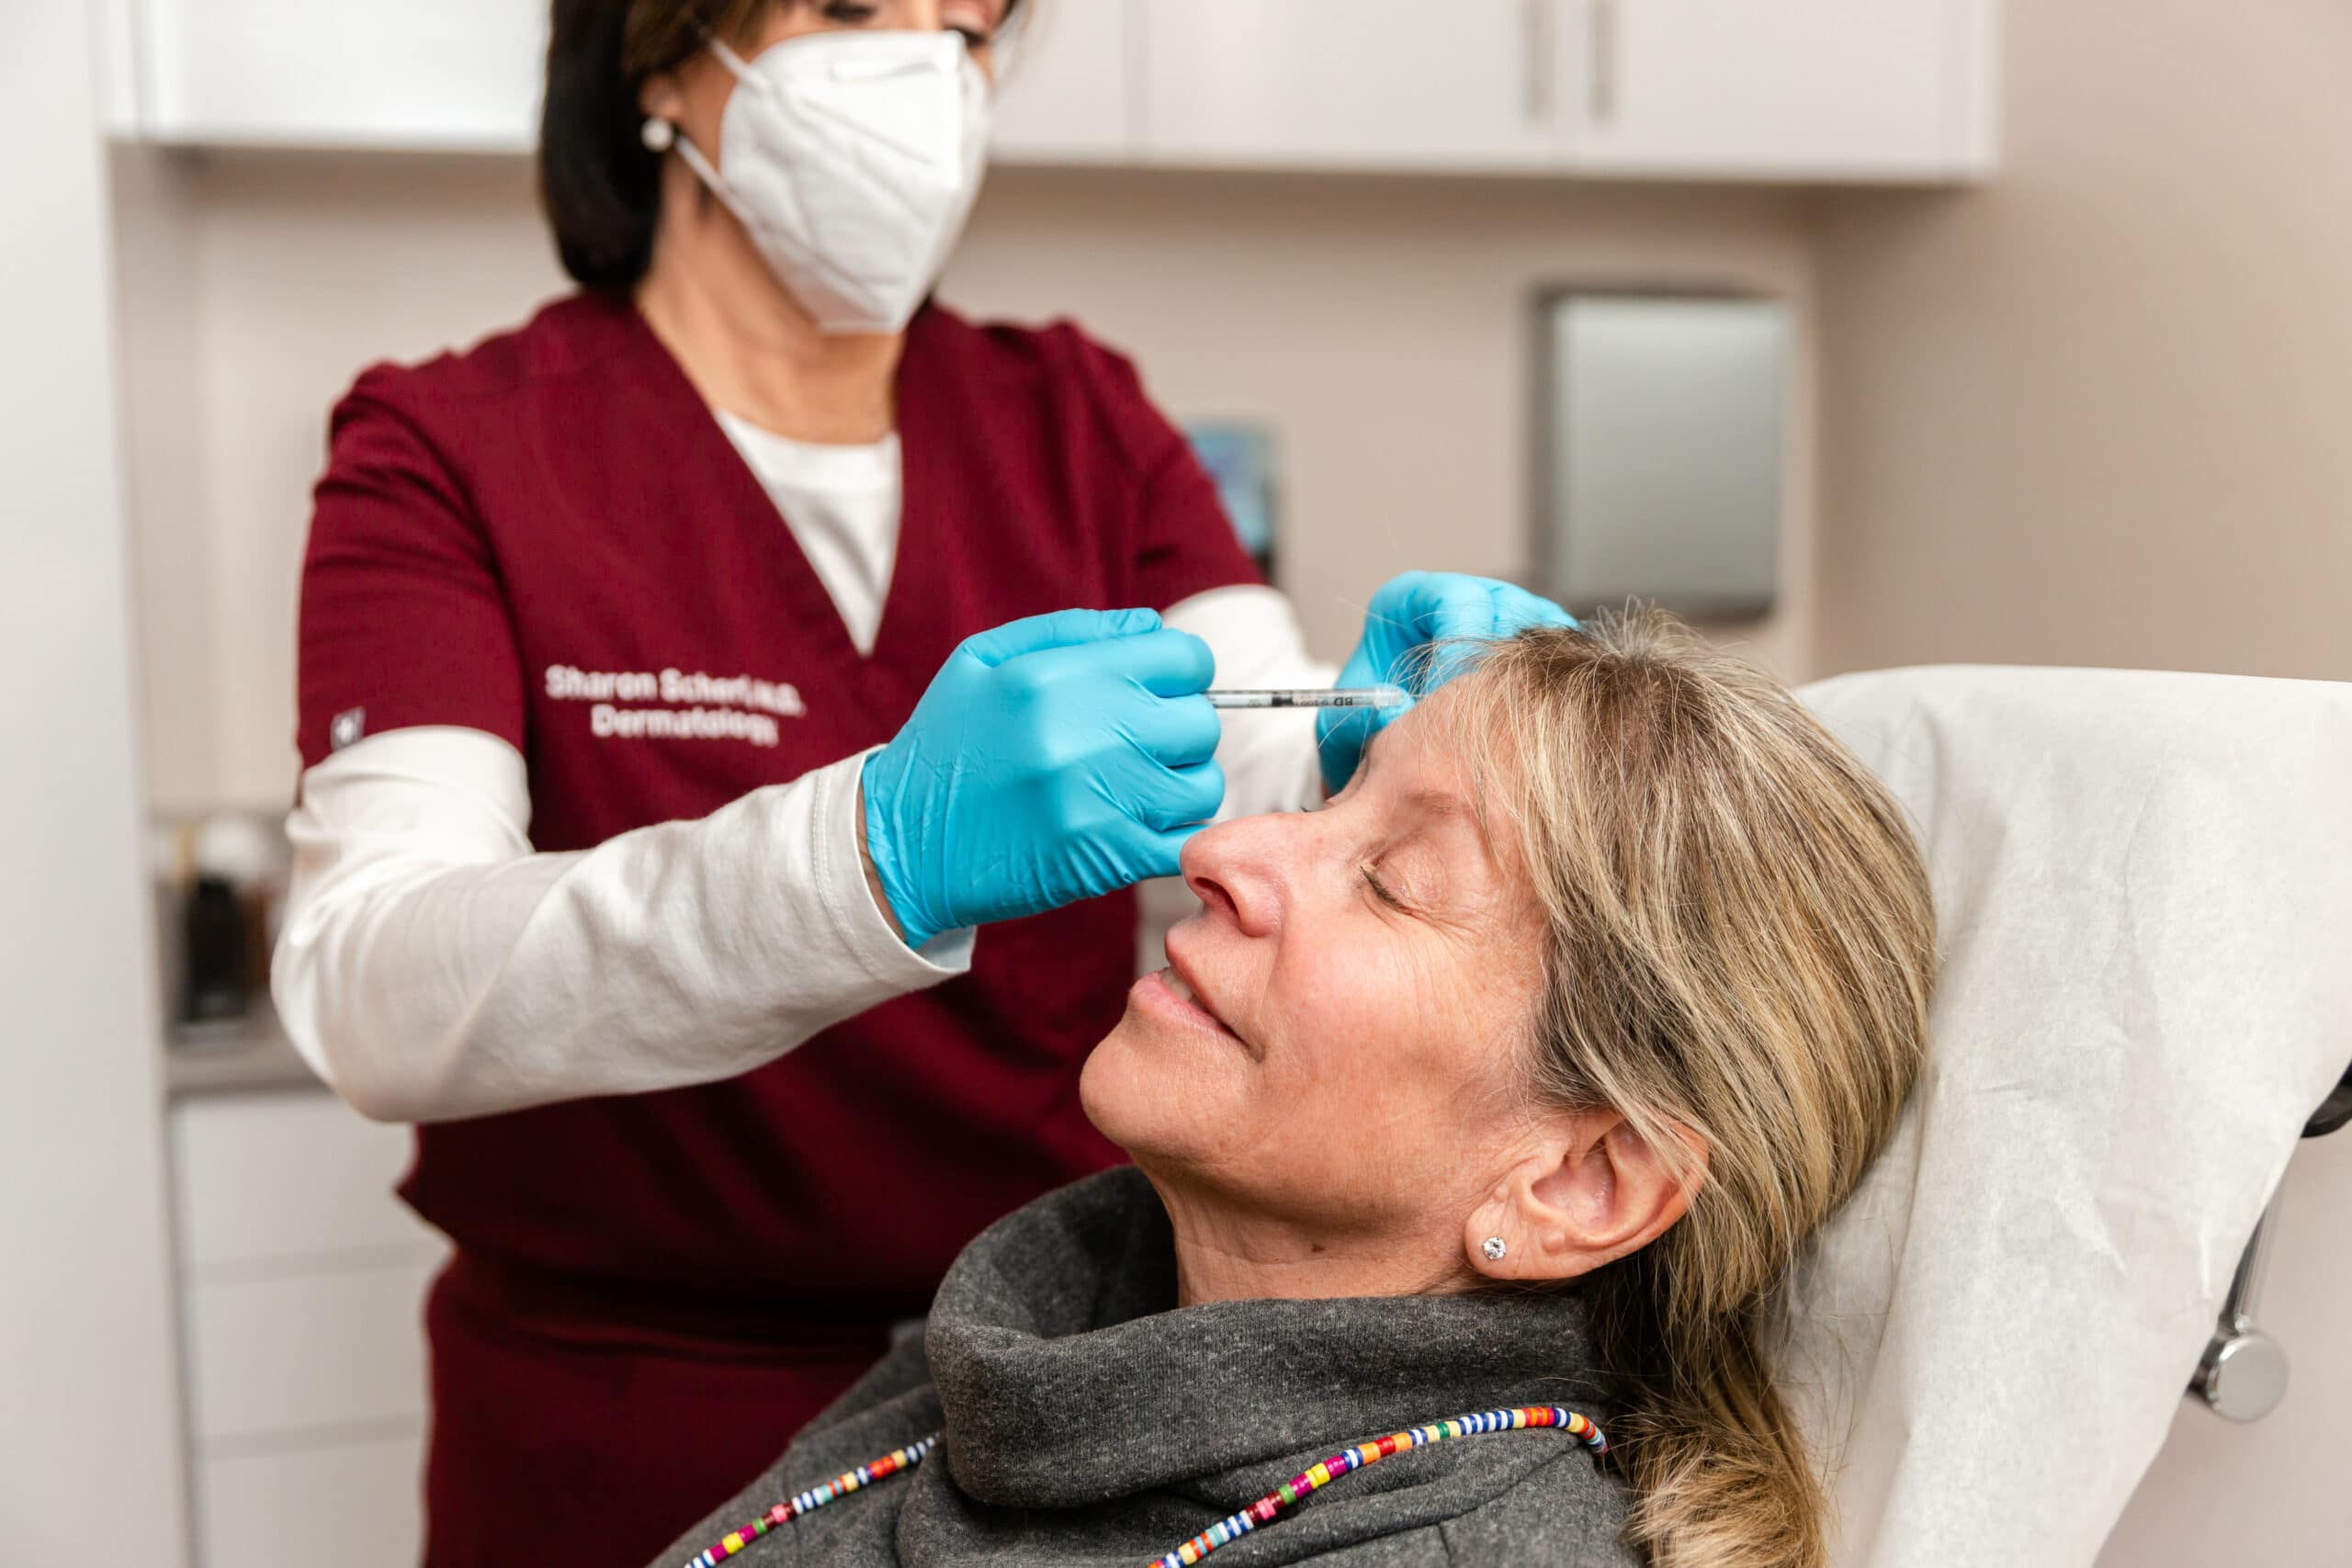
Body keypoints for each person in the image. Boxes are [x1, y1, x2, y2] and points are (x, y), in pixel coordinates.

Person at [272, 1, 1574, 1563]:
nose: (924, 75)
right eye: (846, 10)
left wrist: (1369, 745)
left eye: (963, 28)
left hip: (1042, 1378)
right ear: (658, 56)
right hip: (618, 1414)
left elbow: (1249, 753)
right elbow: (373, 983)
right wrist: (871, 856)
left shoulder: (1079, 422)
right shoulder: (449, 451)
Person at [652, 613, 1941, 1568]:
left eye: (1392, 879)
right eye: (1333, 800)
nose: (1220, 849)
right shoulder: (1038, 1354)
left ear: (1576, 1181)